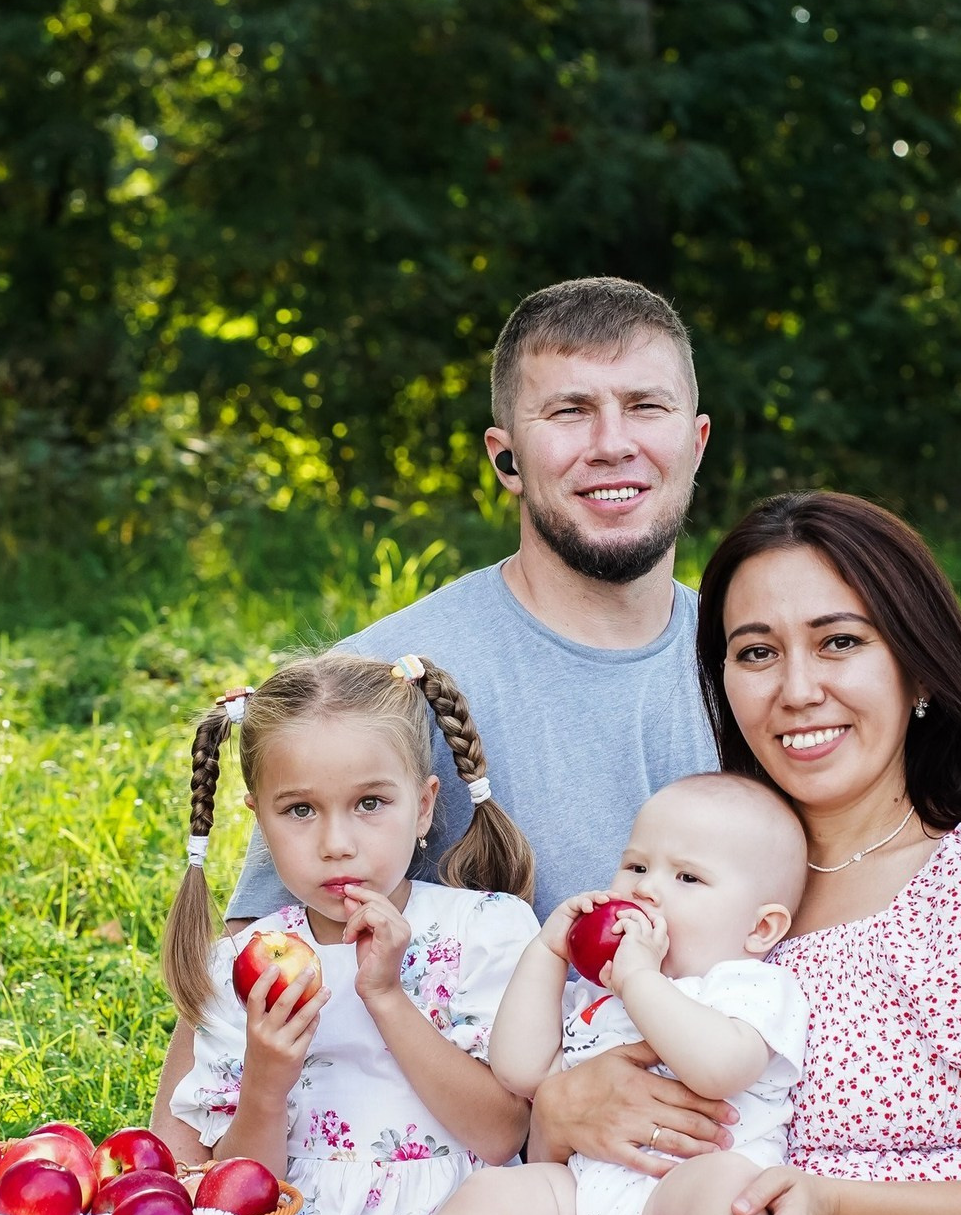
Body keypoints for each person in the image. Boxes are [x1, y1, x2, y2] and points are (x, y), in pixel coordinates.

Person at [151, 276, 728, 1165]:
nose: (613, 443)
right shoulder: (383, 684)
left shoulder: (761, 667)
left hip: (732, 1135)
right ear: (506, 457)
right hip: (491, 1170)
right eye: (569, 412)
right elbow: (252, 974)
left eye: (645, 406)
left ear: (695, 441)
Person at [520, 489, 961, 1215]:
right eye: (757, 653)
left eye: (839, 642)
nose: (798, 691)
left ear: (919, 670)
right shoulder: (692, 882)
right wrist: (559, 1112)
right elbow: (573, 1154)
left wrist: (834, 1208)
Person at [162, 651, 542, 1215]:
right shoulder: (241, 969)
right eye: (300, 810)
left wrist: (387, 997)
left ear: (423, 806)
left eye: (369, 803)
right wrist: (265, 1082)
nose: (336, 845)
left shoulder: (482, 931)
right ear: (260, 822)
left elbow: (503, 1134)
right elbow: (235, 1202)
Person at [399, 773, 810, 1215]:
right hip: (582, 1190)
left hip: (689, 1184)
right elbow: (520, 1070)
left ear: (761, 927)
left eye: (687, 878)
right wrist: (549, 952)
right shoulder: (598, 995)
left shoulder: (750, 986)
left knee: (736, 1191)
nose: (646, 889)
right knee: (487, 1190)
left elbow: (720, 1070)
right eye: (636, 866)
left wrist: (639, 979)